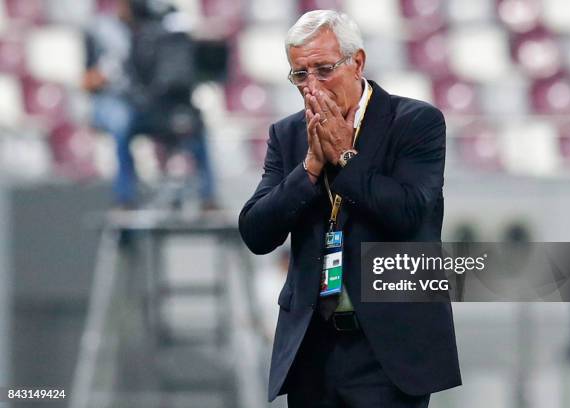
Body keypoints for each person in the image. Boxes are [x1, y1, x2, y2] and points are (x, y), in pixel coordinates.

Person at [239, 10, 461, 408]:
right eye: (299, 75)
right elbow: (255, 232)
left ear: (357, 62)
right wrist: (308, 169)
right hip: (313, 348)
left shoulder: (415, 123)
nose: (312, 87)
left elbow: (409, 212)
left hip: (388, 349)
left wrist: (344, 155)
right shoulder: (288, 134)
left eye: (323, 70)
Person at [83, 0, 217, 209]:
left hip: (161, 104)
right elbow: (90, 81)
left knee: (194, 127)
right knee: (122, 125)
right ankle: (126, 196)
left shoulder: (160, 30)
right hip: (130, 103)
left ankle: (208, 197)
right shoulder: (107, 32)